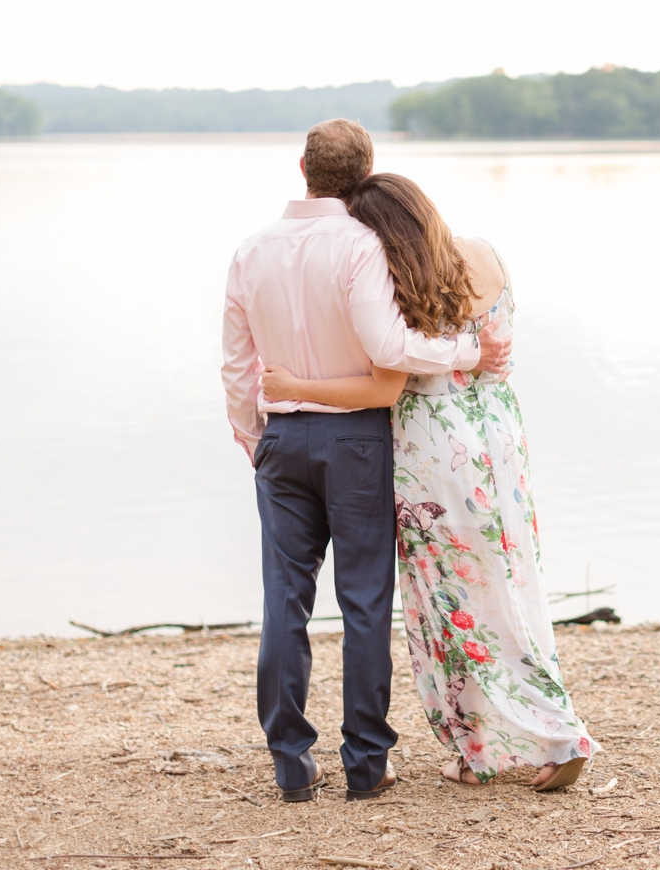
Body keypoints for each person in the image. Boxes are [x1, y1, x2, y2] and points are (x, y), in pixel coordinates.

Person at [261, 172, 596, 792]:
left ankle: (509, 742)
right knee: (512, 582)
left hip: (433, 449)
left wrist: (292, 388)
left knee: (447, 603)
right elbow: (495, 345)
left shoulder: (405, 282)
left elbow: (389, 378)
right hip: (499, 437)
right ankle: (526, 737)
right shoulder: (485, 253)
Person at [221, 120, 512, 804]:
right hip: (355, 440)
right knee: (363, 603)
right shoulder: (363, 246)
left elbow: (238, 365)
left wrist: (254, 436)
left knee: (284, 604)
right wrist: (467, 354)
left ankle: (291, 764)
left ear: (301, 166)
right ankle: (366, 763)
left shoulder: (250, 250)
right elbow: (388, 348)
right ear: (367, 169)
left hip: (282, 442)